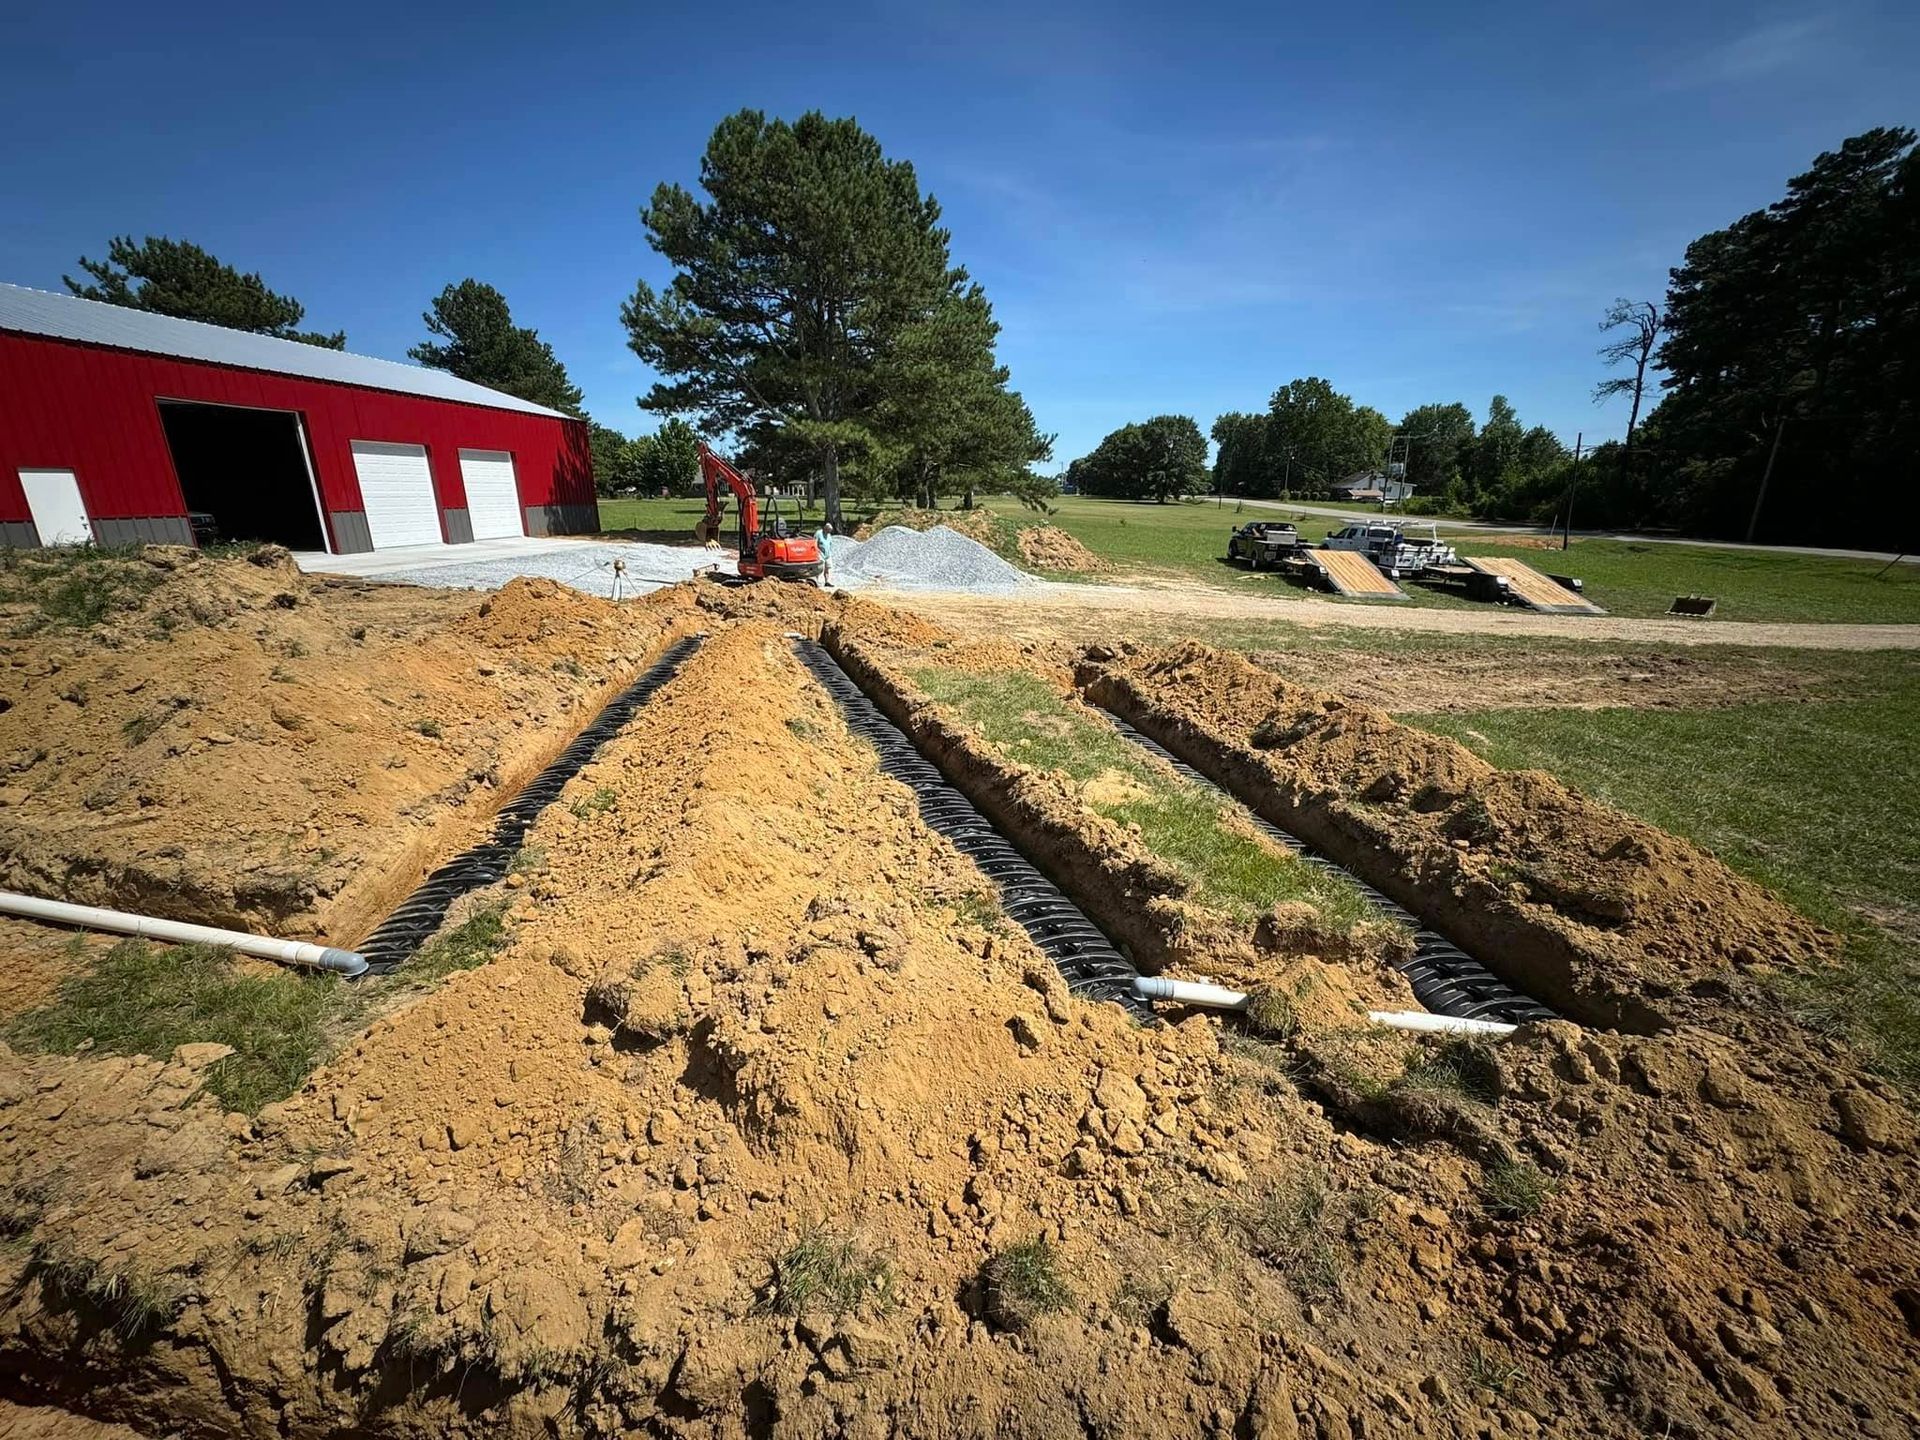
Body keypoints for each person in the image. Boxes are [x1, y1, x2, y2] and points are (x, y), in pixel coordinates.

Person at [814, 521, 835, 589]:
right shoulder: (818, 533)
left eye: (830, 531)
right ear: (825, 529)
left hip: (827, 554)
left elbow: (830, 543)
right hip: (820, 553)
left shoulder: (829, 535)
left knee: (828, 568)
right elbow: (814, 543)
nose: (829, 532)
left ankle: (827, 582)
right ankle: (817, 582)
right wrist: (817, 551)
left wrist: (829, 552)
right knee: (820, 568)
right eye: (828, 530)